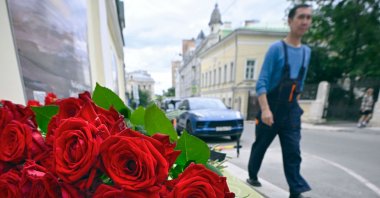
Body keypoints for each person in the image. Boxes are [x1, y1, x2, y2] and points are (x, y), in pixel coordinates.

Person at [246, 4, 312, 198]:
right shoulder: (276, 49)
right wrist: (265, 109)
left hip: (291, 112)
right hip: (271, 109)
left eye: (308, 17)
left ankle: (296, 191)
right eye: (301, 17)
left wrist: (295, 106)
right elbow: (262, 82)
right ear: (290, 21)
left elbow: (300, 82)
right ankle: (252, 175)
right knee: (260, 146)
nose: (305, 21)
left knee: (293, 152)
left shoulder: (307, 52)